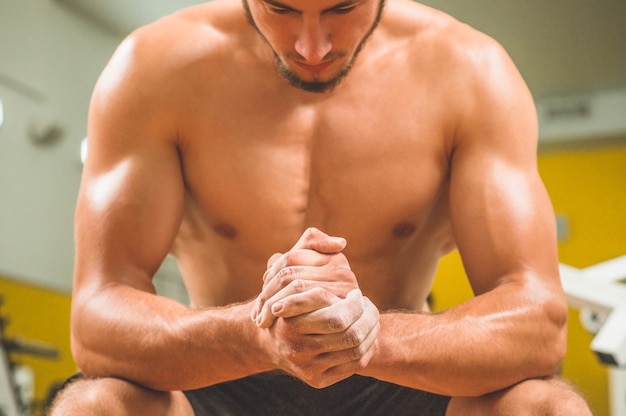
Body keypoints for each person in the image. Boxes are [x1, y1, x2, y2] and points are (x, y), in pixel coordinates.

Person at [50, 0, 593, 414]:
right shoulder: (155, 68)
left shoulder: (469, 71)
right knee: (91, 405)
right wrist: (254, 334)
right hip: (215, 379)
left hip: (407, 380)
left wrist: (367, 336)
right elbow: (97, 318)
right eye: (280, 8)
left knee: (546, 406)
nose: (312, 47)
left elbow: (538, 323)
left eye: (344, 7)